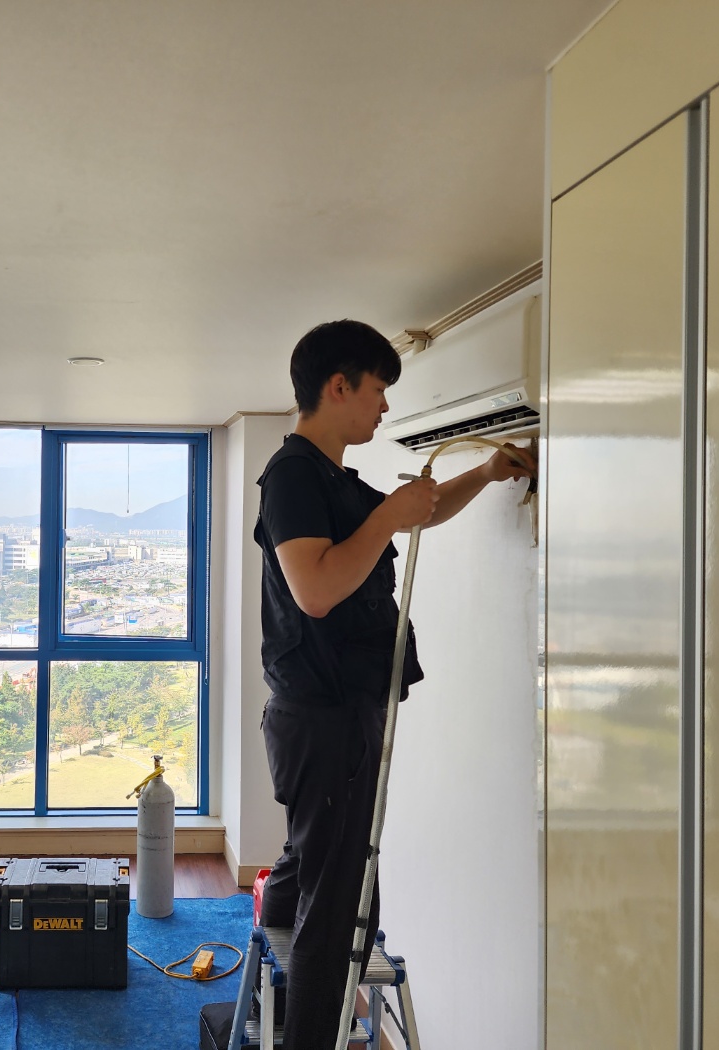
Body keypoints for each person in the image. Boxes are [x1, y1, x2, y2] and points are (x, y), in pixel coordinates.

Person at [254, 319, 534, 1049]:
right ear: (338, 386)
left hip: (333, 711)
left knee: (312, 859)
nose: (384, 406)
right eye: (378, 390)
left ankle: (268, 961)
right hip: (323, 717)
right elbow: (316, 590)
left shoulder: (333, 479)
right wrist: (385, 518)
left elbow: (417, 515)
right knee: (340, 901)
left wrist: (485, 474)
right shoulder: (293, 476)